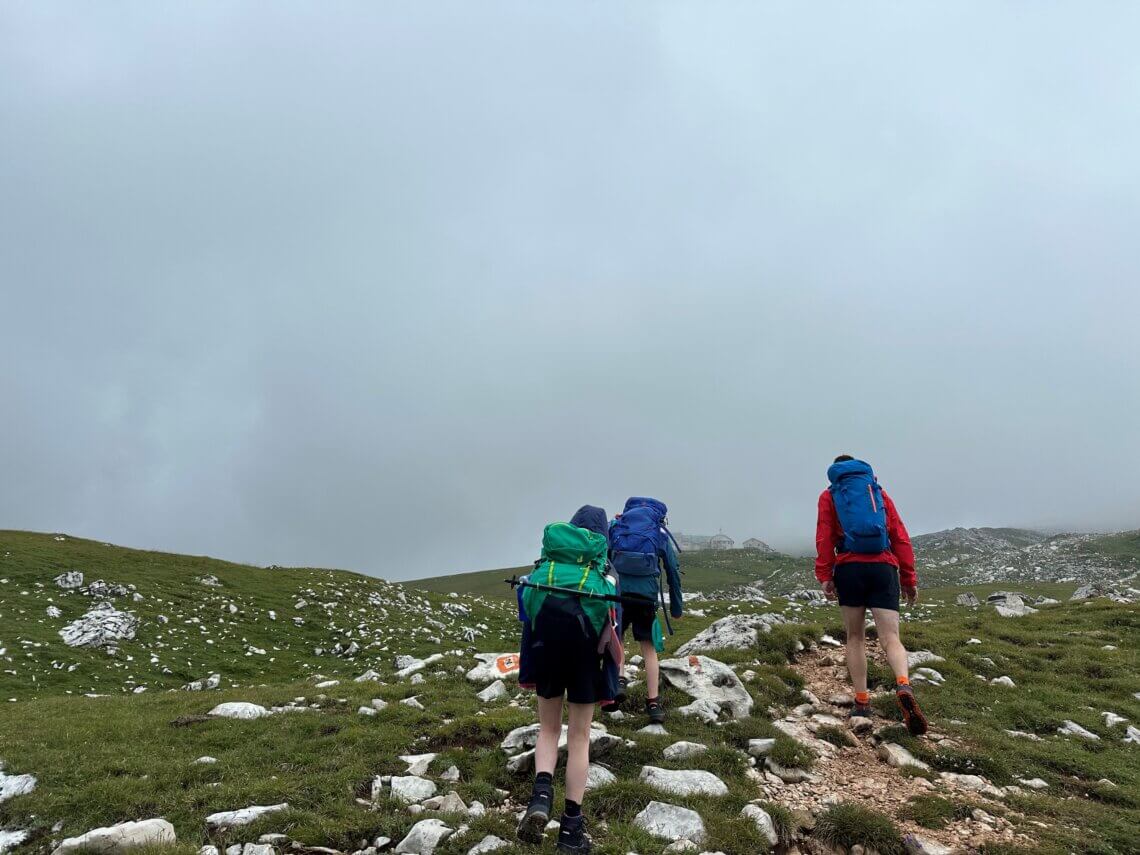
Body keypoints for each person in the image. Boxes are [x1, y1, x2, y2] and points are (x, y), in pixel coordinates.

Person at [517, 505, 619, 854]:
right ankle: (571, 831)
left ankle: (540, 798)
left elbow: (524, 613)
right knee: (578, 737)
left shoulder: (543, 570)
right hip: (585, 661)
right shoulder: (604, 576)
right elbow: (611, 628)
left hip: (546, 653)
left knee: (547, 729)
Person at [815, 456, 928, 736]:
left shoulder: (830, 496)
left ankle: (862, 703)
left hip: (850, 569)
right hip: (883, 568)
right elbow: (899, 535)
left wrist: (825, 575)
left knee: (855, 637)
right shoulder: (877, 493)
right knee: (891, 638)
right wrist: (908, 579)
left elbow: (824, 536)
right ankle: (903, 684)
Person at [609, 497, 682, 724]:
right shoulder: (658, 533)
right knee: (648, 649)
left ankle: (618, 682)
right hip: (646, 598)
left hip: (618, 594)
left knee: (617, 639)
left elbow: (603, 558)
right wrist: (677, 607)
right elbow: (672, 569)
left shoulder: (618, 527)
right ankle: (653, 704)